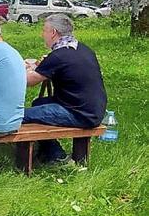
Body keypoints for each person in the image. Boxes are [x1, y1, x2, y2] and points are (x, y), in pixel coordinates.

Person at [23, 14, 107, 162]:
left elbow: (29, 81)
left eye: (44, 30)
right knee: (39, 104)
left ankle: (57, 156)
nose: (42, 34)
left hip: (78, 113)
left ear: (53, 32)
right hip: (94, 108)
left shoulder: (59, 56)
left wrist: (12, 70)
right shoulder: (82, 49)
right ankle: (47, 151)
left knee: (22, 115)